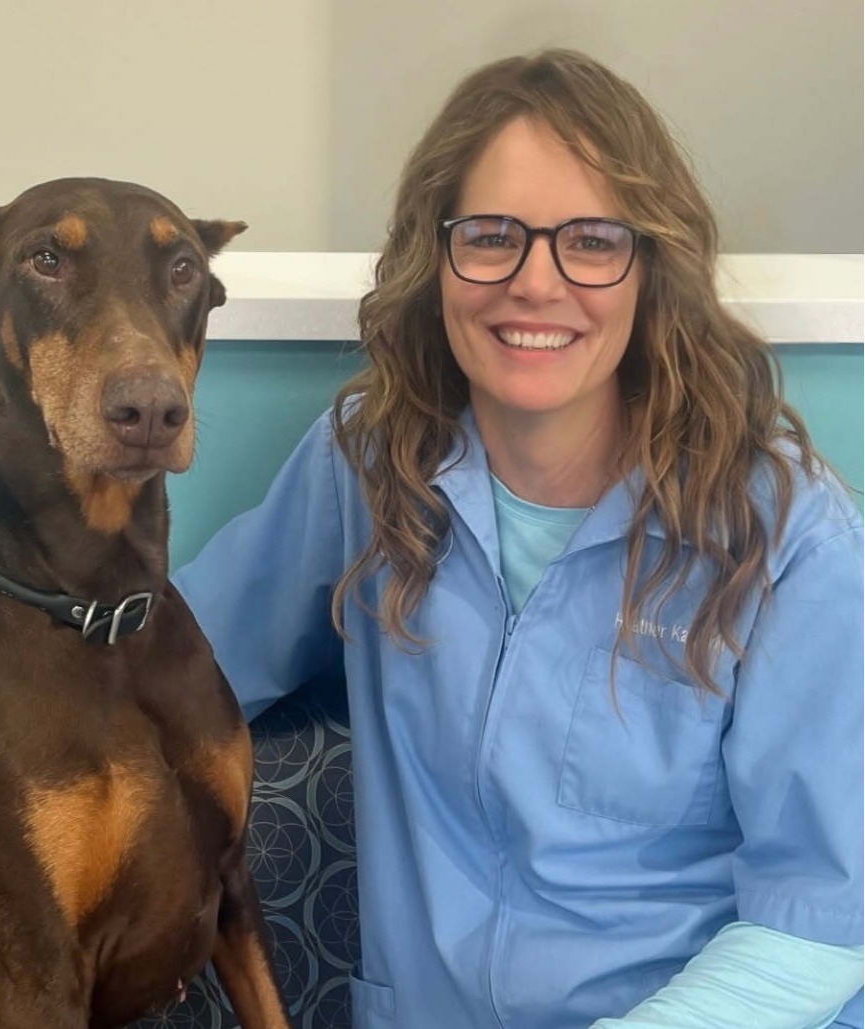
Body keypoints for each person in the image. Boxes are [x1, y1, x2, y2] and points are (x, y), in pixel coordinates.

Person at [174, 50, 864, 1028]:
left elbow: (815, 928)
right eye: (491, 236)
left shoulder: (785, 536)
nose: (534, 284)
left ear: (647, 268)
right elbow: (167, 669)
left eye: (589, 241)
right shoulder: (366, 464)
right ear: (437, 256)